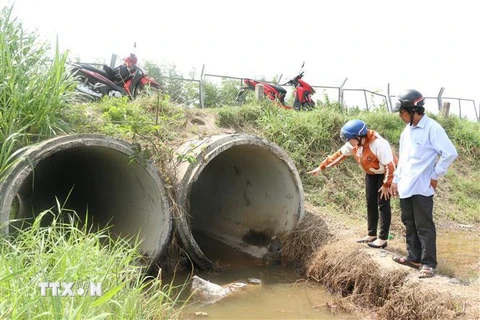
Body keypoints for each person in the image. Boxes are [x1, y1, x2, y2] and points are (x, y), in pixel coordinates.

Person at [391, 89, 458, 278]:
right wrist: (396, 179)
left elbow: (450, 153)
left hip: (422, 185)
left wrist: (436, 174)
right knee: (409, 222)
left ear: (413, 109)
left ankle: (429, 264)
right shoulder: (407, 131)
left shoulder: (433, 128)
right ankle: (414, 257)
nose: (399, 116)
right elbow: (403, 159)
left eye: (401, 111)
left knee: (424, 225)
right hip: (406, 184)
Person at [308, 119, 397, 249]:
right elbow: (339, 155)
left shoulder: (379, 144)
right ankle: (371, 234)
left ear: (359, 136)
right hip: (371, 174)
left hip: (385, 174)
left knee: (383, 204)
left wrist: (386, 185)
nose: (348, 142)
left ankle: (382, 239)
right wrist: (321, 167)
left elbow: (390, 166)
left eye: (350, 139)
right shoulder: (354, 144)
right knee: (370, 202)